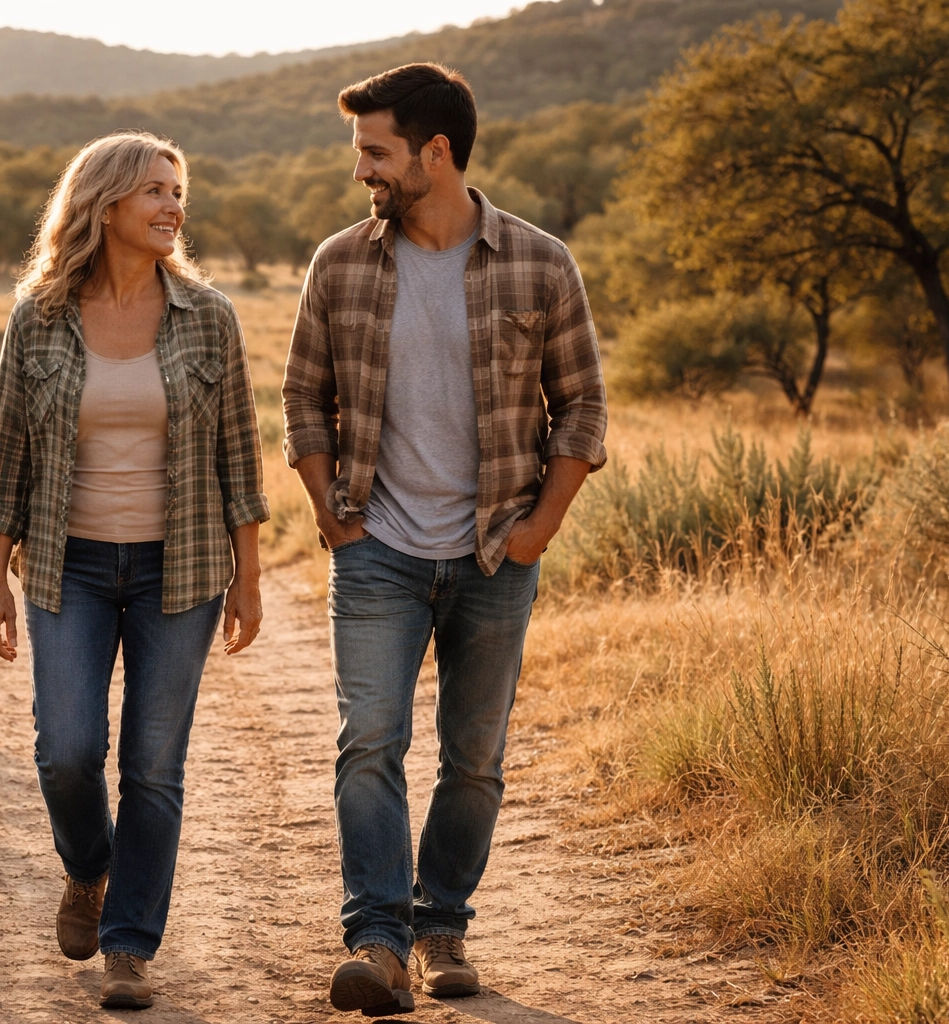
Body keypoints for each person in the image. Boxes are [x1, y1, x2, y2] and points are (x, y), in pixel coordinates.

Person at [282, 63, 608, 1016]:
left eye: (375, 153)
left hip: (495, 552)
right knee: (369, 743)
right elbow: (302, 394)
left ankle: (441, 927)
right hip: (377, 549)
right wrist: (327, 507)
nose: (362, 172)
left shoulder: (540, 262)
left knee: (474, 759)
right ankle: (379, 942)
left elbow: (583, 406)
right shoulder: (340, 262)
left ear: (436, 152)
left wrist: (540, 527)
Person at [0, 131, 268, 1010]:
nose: (173, 205)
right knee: (66, 752)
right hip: (69, 567)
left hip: (182, 570)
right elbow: (6, 453)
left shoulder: (208, 315)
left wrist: (250, 579)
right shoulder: (39, 315)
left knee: (153, 766)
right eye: (154, 191)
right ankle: (88, 870)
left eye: (178, 190)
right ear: (104, 206)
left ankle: (129, 947)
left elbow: (241, 455)